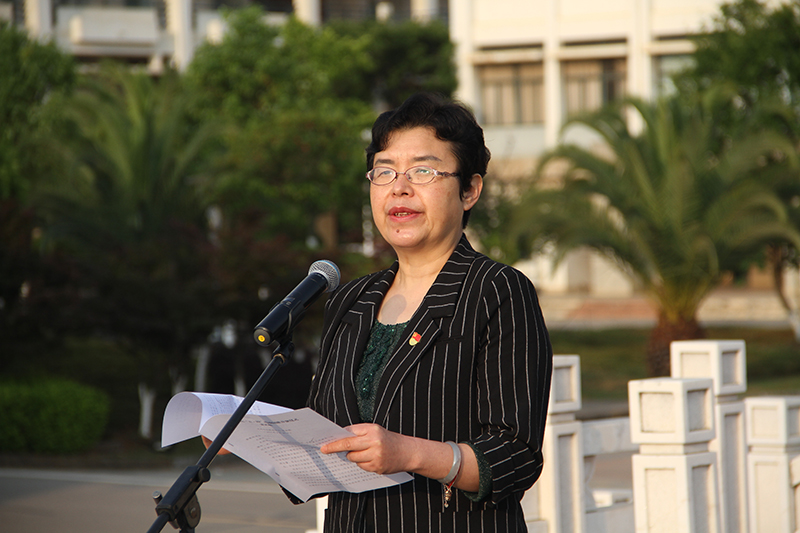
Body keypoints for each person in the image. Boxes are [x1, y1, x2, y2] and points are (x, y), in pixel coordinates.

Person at [306, 92, 553, 532]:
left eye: (423, 171)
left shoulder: (496, 291)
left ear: (470, 190)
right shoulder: (350, 300)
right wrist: (251, 436)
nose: (399, 187)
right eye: (385, 171)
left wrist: (409, 453)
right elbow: (325, 432)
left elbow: (515, 457)